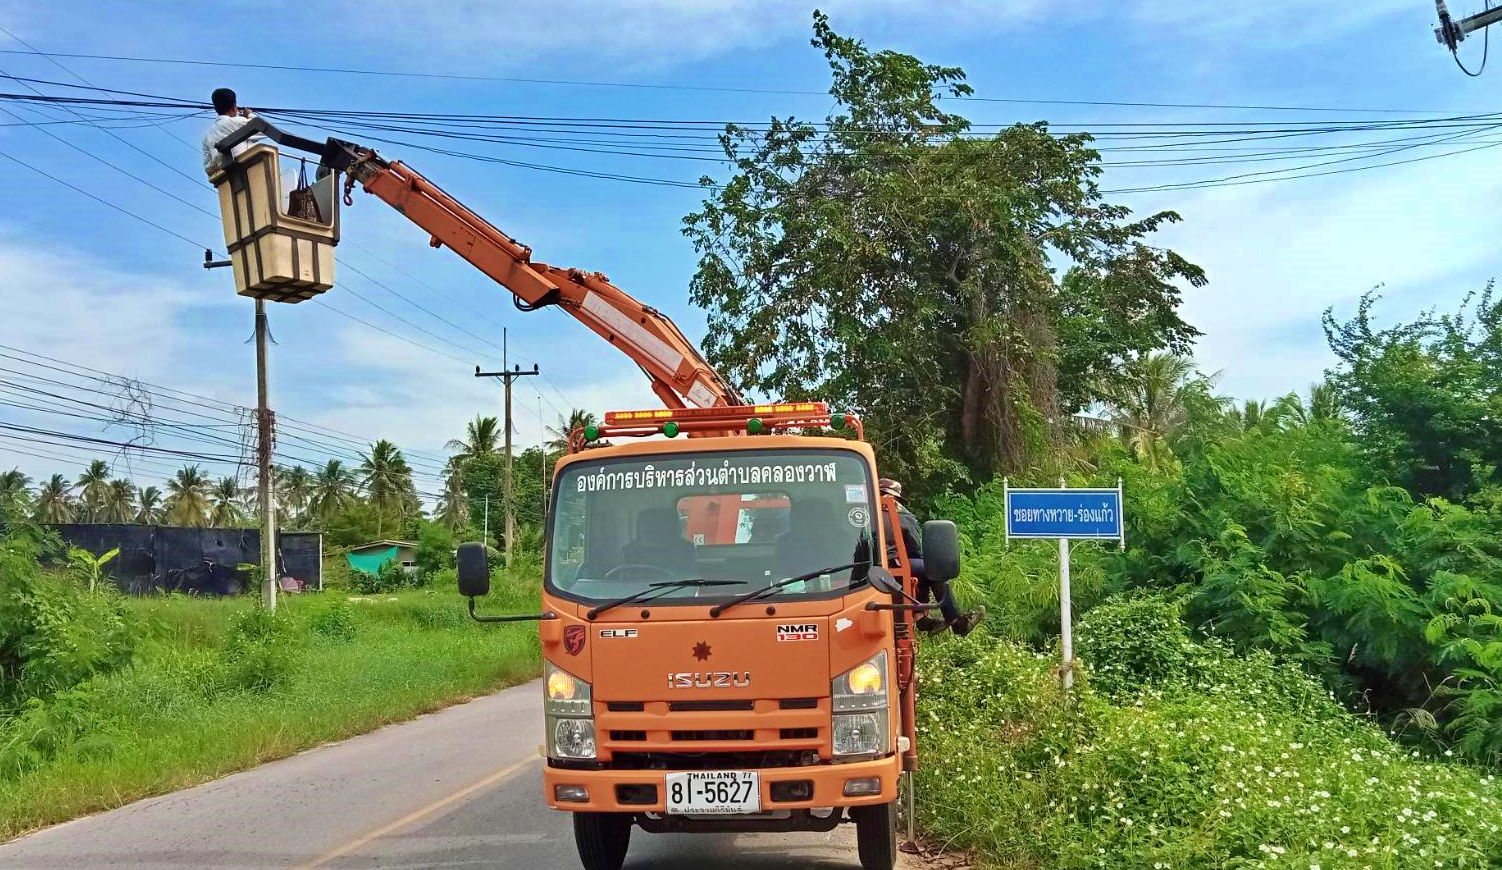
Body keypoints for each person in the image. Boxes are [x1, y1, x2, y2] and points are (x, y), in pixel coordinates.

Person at [879, 478, 983, 636]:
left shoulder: (862, 515)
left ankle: (923, 620)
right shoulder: (902, 516)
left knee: (922, 568)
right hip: (893, 566)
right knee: (931, 568)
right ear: (892, 498)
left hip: (868, 569)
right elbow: (915, 549)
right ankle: (956, 621)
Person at [201, 88, 263, 177]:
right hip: (250, 172)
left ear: (215, 108)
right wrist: (249, 114)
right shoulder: (236, 122)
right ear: (234, 106)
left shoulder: (206, 136)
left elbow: (208, 168)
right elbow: (263, 128)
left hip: (224, 182)